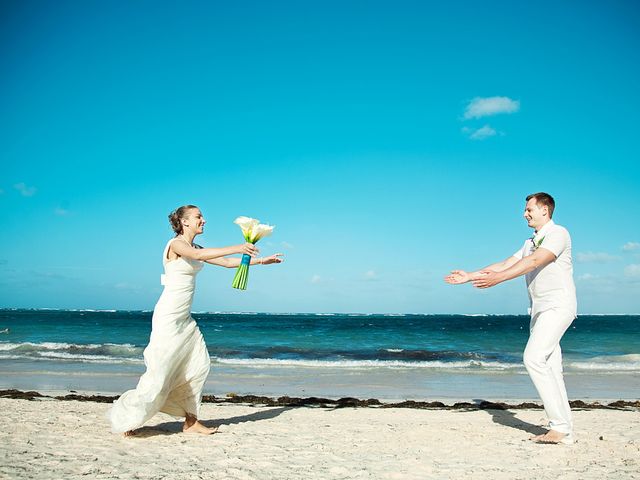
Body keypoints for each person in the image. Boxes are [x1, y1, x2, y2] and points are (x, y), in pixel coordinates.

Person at [108, 205, 283, 436]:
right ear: (184, 222)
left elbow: (228, 263)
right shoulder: (176, 245)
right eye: (199, 217)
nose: (204, 220)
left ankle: (191, 422)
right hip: (169, 316)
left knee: (198, 364)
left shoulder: (195, 246)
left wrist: (261, 262)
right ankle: (129, 419)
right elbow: (200, 256)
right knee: (160, 371)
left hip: (184, 318)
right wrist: (240, 246)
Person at [445, 192, 577, 445]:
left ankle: (559, 428)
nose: (525, 214)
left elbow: (536, 261)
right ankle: (563, 428)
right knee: (551, 367)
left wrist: (498, 279)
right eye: (525, 209)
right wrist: (471, 275)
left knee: (534, 358)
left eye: (529, 209)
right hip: (539, 309)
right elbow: (508, 262)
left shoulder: (558, 233)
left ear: (545, 210)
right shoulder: (530, 241)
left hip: (558, 305)